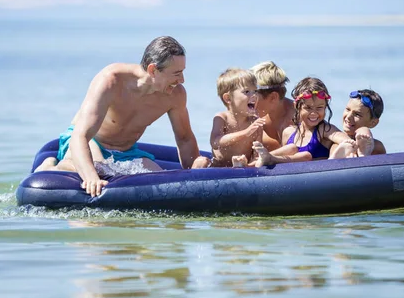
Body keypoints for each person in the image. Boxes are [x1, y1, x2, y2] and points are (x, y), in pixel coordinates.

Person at [35, 36, 205, 197]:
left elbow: (184, 138)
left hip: (127, 152)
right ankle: (51, 165)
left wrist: (195, 175)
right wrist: (90, 177)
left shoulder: (175, 95)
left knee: (162, 179)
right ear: (153, 69)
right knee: (101, 168)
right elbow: (81, 136)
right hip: (90, 142)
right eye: (176, 73)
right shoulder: (111, 81)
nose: (182, 80)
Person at [253, 77, 350, 166]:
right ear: (296, 106)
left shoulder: (324, 129)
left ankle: (270, 159)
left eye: (319, 108)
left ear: (325, 106)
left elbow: (347, 142)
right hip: (297, 180)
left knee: (308, 155)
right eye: (308, 108)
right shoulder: (288, 132)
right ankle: (258, 161)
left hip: (320, 178)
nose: (314, 113)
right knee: (291, 148)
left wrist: (334, 152)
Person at [194, 68, 265, 168]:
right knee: (200, 161)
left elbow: (257, 158)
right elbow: (215, 142)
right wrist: (245, 133)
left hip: (240, 168)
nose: (254, 95)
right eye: (247, 91)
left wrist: (247, 165)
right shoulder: (221, 118)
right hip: (217, 169)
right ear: (228, 98)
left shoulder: (255, 124)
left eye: (255, 91)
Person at [250, 61, 296, 151]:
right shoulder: (253, 119)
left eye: (253, 96)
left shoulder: (303, 116)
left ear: (273, 97)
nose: (248, 100)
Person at [330, 89, 386, 158]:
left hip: (368, 154)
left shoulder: (377, 147)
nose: (348, 116)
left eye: (357, 114)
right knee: (339, 146)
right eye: (348, 109)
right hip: (338, 157)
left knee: (364, 131)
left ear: (373, 123)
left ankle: (363, 154)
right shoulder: (336, 143)